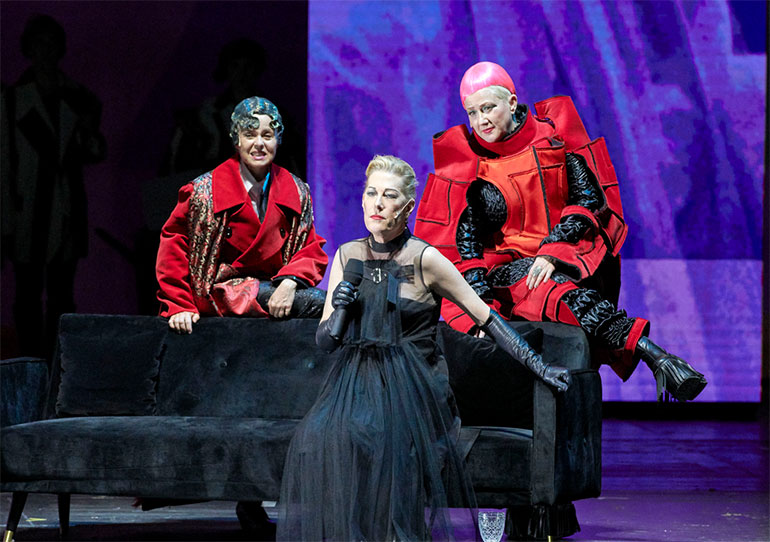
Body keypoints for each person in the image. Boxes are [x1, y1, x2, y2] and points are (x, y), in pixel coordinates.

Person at [277, 155, 570, 541]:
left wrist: (539, 366)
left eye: (389, 196)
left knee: (383, 437)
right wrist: (341, 308)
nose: (378, 204)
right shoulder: (348, 256)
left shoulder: (425, 259)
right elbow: (326, 341)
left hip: (415, 386)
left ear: (408, 207)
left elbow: (487, 318)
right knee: (327, 437)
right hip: (358, 381)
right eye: (371, 193)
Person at [414, 61, 707, 402]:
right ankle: (653, 354)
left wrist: (553, 251)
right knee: (550, 288)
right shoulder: (471, 167)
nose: (481, 121)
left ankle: (656, 358)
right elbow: (465, 246)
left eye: (488, 108)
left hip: (565, 258)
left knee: (557, 285)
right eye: (472, 113)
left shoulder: (552, 140)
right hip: (504, 276)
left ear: (511, 102)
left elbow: (589, 199)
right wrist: (482, 311)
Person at [156, 96, 328, 334]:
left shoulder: (296, 192)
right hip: (221, 291)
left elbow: (309, 248)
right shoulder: (203, 192)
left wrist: (290, 281)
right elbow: (174, 247)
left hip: (275, 287)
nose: (259, 144)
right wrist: (179, 304)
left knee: (333, 305)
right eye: (250, 135)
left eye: (267, 135)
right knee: (318, 303)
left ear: (278, 139)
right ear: (236, 140)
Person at [1, 14, 106, 357]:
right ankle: (32, 362)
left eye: (51, 43)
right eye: (39, 43)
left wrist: (87, 129)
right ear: (29, 49)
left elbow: (94, 150)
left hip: (64, 208)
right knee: (28, 295)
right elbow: (6, 162)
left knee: (62, 295)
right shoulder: (12, 100)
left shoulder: (77, 97)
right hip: (27, 209)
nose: (45, 50)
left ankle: (58, 364)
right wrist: (7, 219)